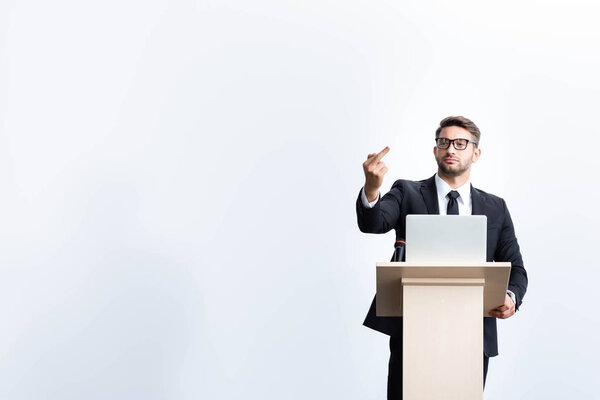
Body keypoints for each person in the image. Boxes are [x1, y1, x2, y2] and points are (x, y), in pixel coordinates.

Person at [356, 116, 528, 399]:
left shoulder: (495, 208)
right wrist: (372, 188)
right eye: (444, 142)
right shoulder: (407, 192)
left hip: (472, 333)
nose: (451, 149)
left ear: (476, 153)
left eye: (461, 143)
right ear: (435, 150)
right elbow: (373, 223)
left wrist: (511, 297)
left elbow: (518, 269)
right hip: (413, 327)